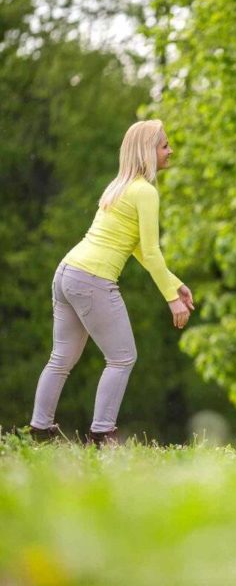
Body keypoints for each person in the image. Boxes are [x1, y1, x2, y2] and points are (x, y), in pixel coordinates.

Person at [29, 119, 194, 446]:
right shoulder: (144, 191)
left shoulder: (119, 186)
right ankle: (102, 434)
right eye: (164, 146)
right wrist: (172, 300)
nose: (170, 151)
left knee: (61, 358)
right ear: (148, 151)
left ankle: (39, 431)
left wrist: (174, 284)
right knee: (122, 358)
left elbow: (137, 249)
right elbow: (151, 249)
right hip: (92, 279)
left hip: (67, 272)